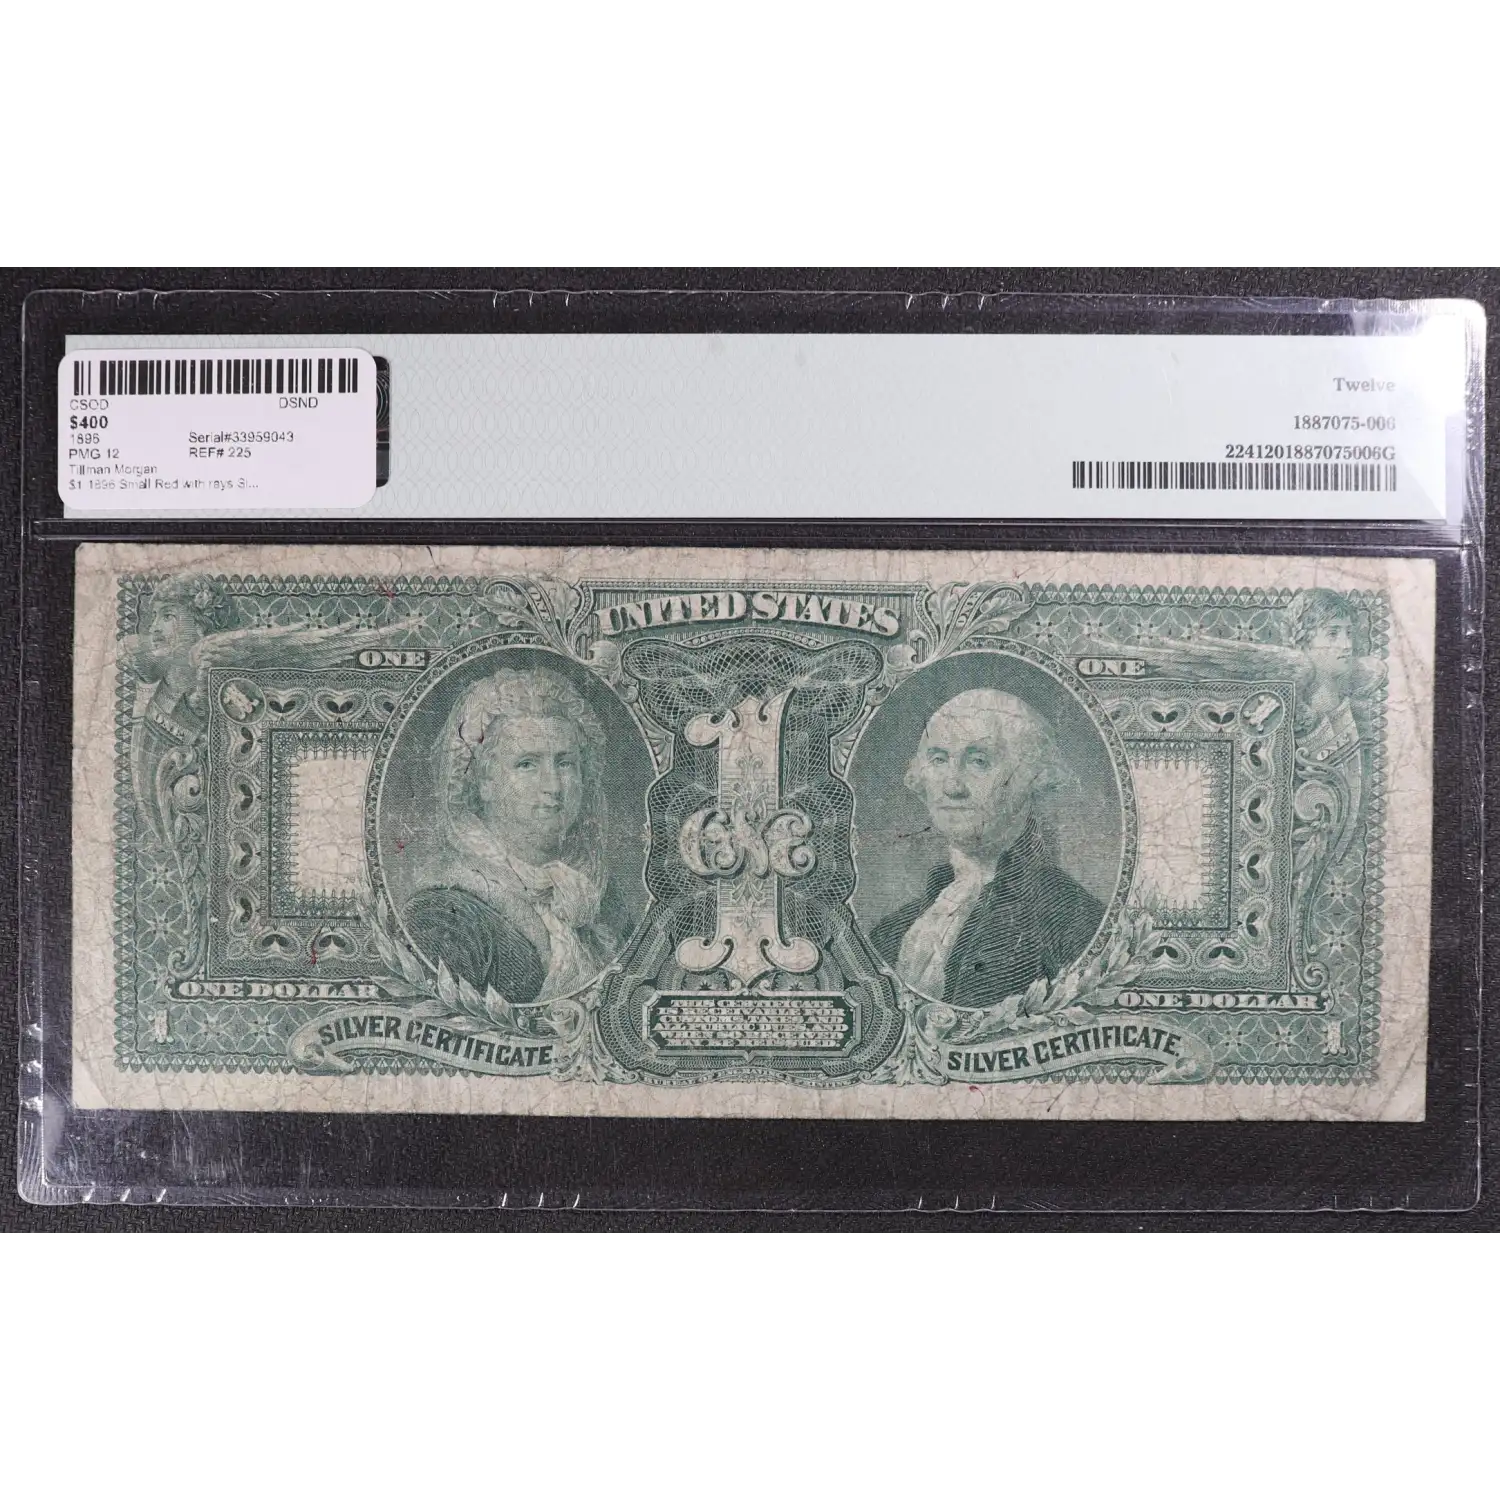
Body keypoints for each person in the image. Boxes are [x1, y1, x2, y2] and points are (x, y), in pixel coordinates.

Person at [403, 667, 631, 1004]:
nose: (553, 786)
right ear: (483, 782)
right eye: (527, 764)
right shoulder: (444, 914)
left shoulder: (601, 898)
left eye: (565, 763)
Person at [869, 689, 1104, 1006]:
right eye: (938, 760)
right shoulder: (890, 932)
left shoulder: (1075, 923)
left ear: (1032, 777)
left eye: (979, 761)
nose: (952, 786)